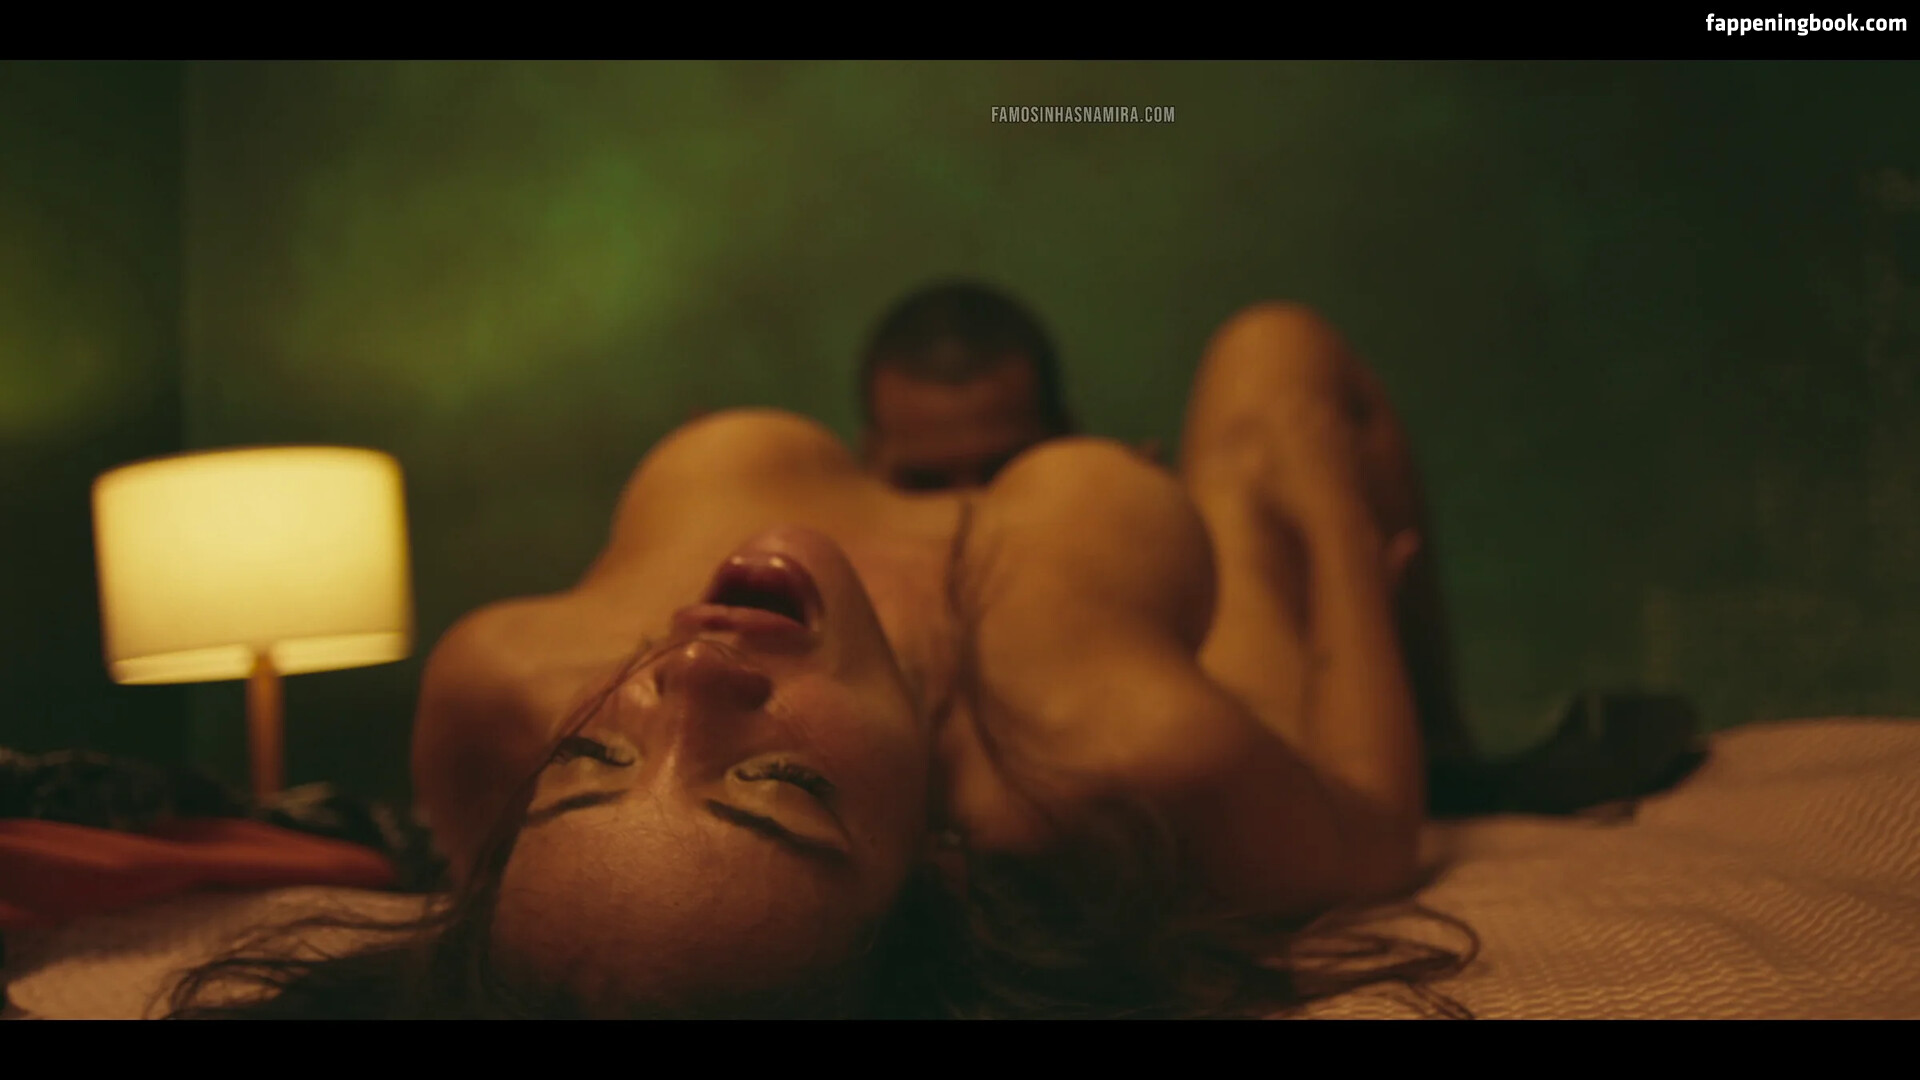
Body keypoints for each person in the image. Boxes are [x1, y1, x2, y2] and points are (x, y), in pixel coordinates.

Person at [165, 301, 1475, 1020]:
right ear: (935, 871)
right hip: (1117, 629)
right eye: (781, 787)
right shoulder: (1110, 743)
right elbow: (1377, 834)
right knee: (1277, 355)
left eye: (595, 759)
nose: (688, 680)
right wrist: (1342, 541)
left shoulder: (501, 685)